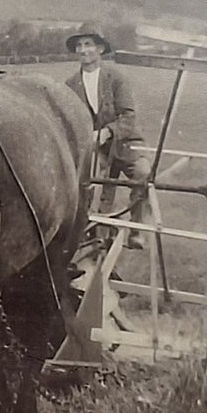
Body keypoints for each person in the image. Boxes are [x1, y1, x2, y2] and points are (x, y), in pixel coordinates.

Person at [64, 23, 151, 248]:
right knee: (92, 184)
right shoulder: (70, 85)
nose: (83, 50)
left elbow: (129, 116)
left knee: (142, 173)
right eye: (79, 46)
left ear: (100, 49)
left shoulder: (115, 78)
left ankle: (136, 229)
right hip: (96, 149)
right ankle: (97, 233)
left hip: (126, 143)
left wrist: (107, 132)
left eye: (88, 44)